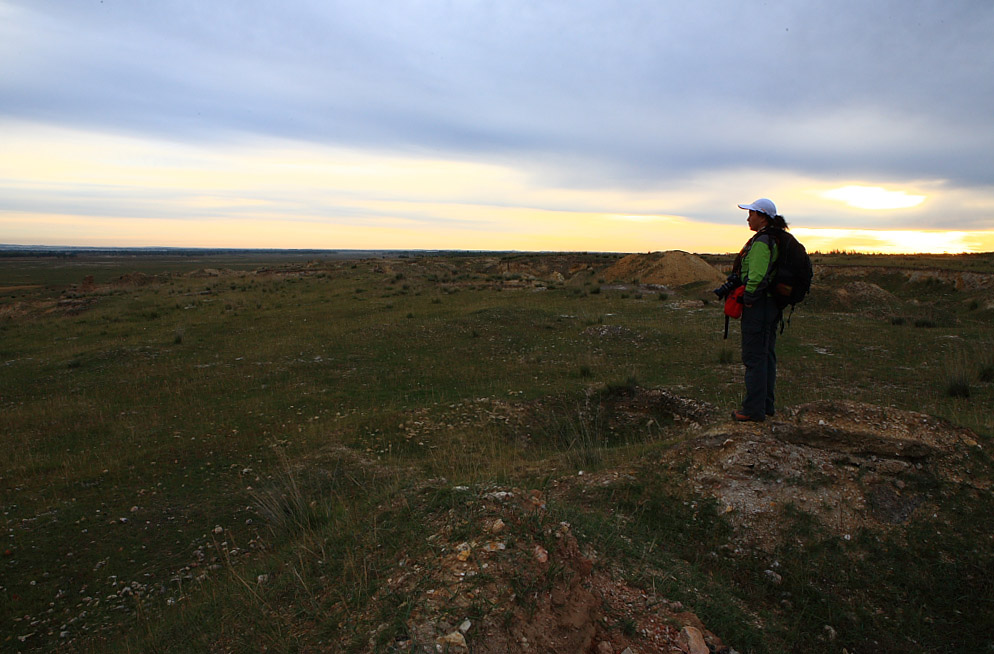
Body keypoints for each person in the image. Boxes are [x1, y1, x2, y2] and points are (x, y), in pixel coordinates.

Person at [731, 198, 789, 422]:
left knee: (754, 356)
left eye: (751, 213)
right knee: (766, 355)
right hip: (770, 305)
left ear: (762, 216)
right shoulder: (773, 238)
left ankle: (753, 410)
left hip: (760, 305)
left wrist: (748, 298)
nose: (748, 218)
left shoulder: (763, 241)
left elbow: (756, 275)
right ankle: (766, 405)